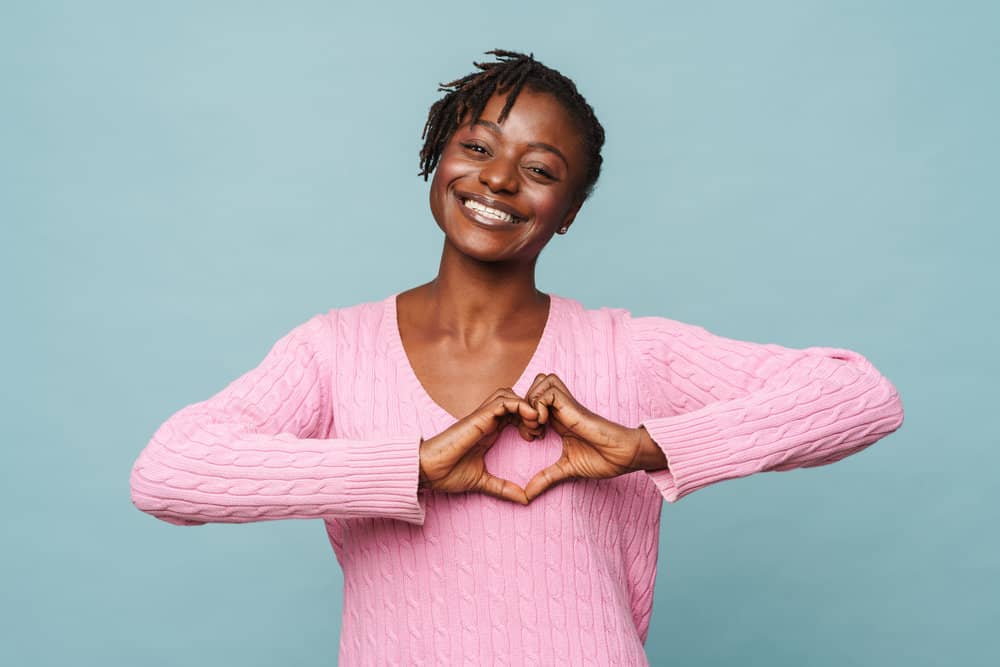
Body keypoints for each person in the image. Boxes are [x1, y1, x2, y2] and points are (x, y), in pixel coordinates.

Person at [129, 49, 905, 665]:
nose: (498, 178)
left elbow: (862, 395)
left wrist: (650, 447)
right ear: (438, 158)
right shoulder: (335, 349)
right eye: (477, 146)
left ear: (566, 215)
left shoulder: (626, 351)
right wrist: (412, 467)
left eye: (540, 170)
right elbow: (168, 471)